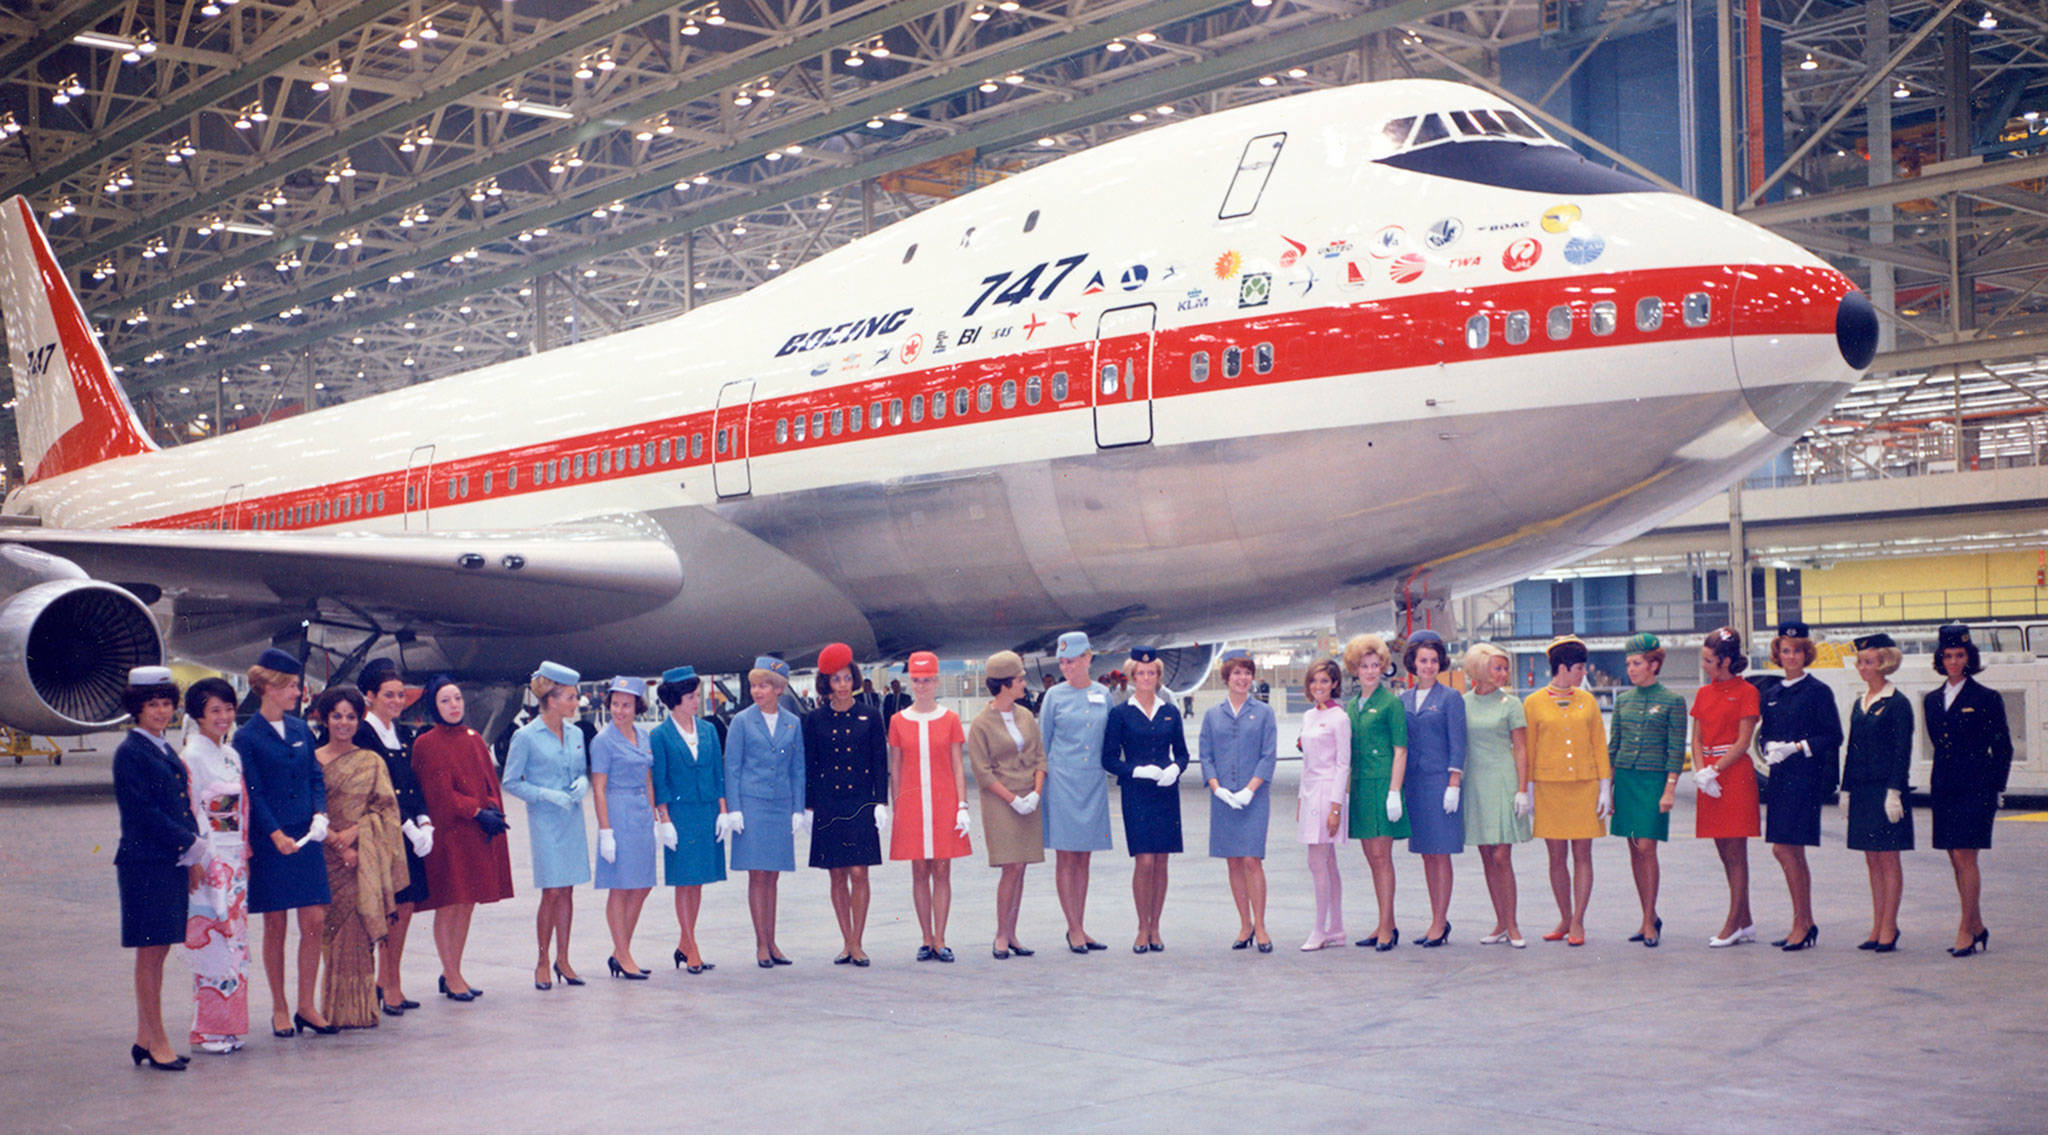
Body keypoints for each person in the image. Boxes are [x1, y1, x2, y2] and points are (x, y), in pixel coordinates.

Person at [235, 647, 334, 1037]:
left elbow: (314, 776)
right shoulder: (247, 737)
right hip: (271, 838)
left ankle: (306, 1004)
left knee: (314, 920)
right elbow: (253, 792)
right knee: (275, 925)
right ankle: (279, 1006)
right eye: (292, 686)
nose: (298, 692)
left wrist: (320, 813)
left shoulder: (300, 730)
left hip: (307, 835)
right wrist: (275, 834)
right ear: (271, 688)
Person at [116, 666, 202, 1070]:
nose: (162, 711)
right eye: (153, 704)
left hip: (167, 861)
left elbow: (179, 803)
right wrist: (188, 841)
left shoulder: (161, 747)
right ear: (137, 707)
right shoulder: (132, 752)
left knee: (159, 950)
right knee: (151, 954)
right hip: (145, 863)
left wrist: (190, 848)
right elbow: (143, 812)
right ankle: (158, 1042)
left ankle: (144, 1036)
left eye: (167, 704)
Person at [309, 685, 408, 1029]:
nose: (344, 723)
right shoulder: (313, 759)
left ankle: (360, 1009)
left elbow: (386, 810)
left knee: (357, 931)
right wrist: (337, 840)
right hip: (323, 859)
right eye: (337, 716)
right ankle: (332, 1009)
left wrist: (356, 834)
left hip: (360, 861)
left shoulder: (370, 761)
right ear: (324, 718)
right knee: (329, 931)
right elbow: (307, 808)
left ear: (359, 719)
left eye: (351, 717)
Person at [411, 675, 514, 1000]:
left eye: (457, 698)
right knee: (449, 903)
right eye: (445, 700)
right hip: (450, 834)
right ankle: (452, 973)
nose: (454, 705)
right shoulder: (426, 743)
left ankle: (452, 970)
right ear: (434, 705)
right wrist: (474, 810)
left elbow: (489, 782)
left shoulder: (474, 738)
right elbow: (438, 792)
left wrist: (494, 810)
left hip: (475, 834)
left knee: (467, 902)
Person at [1923, 623, 2014, 957]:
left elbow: (2002, 747)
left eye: (1959, 655)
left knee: (1966, 858)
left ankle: (1965, 929)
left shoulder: (1986, 698)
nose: (1953, 662)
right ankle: (1977, 926)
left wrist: (1996, 787)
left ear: (1969, 657)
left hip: (1975, 788)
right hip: (1945, 786)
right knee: (1954, 858)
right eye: (1947, 656)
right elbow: (1939, 744)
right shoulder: (1932, 700)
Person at [503, 661, 592, 989]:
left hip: (571, 818)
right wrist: (545, 795)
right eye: (570, 696)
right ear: (552, 700)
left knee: (567, 889)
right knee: (551, 891)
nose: (575, 702)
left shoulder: (577, 733)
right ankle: (542, 959)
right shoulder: (526, 736)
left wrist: (581, 784)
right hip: (545, 819)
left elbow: (580, 771)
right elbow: (511, 781)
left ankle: (564, 959)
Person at [1757, 621, 1843, 952]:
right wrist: (1768, 747)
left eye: (1796, 651)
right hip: (1780, 778)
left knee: (1787, 849)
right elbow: (1765, 733)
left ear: (1806, 654)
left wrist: (1798, 746)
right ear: (1778, 654)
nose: (1790, 656)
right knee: (1788, 850)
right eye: (1785, 650)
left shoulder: (1818, 691)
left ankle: (1802, 922)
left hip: (1805, 778)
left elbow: (1833, 735)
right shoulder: (1773, 694)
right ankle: (1803, 921)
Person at [352, 658, 432, 1015]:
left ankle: (391, 979)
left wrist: (425, 820)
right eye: (389, 695)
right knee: (387, 909)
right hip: (380, 833)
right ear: (369, 696)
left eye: (401, 695)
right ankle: (385, 983)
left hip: (407, 833)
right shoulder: (362, 733)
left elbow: (410, 784)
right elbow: (372, 789)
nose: (397, 701)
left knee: (406, 904)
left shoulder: (401, 733)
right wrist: (406, 825)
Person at [1522, 635, 1611, 947]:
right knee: (1556, 856)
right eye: (1578, 668)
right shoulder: (1532, 704)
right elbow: (1528, 750)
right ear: (1561, 667)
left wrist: (1604, 788)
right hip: (1549, 789)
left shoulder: (1588, 702)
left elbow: (1599, 745)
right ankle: (1564, 915)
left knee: (1583, 854)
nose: (1582, 673)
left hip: (1584, 787)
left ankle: (1578, 920)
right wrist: (1527, 790)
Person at [803, 644, 888, 966]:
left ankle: (858, 942)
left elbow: (880, 762)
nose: (842, 684)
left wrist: (881, 801)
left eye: (847, 678)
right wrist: (808, 806)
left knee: (859, 872)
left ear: (854, 680)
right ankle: (846, 941)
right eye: (836, 679)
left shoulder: (871, 715)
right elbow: (811, 765)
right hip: (828, 802)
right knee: (837, 873)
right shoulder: (814, 719)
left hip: (860, 800)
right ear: (827, 683)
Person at [1101, 646, 1188, 954]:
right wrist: (1136, 770)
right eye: (1141, 673)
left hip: (1165, 792)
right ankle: (1141, 926)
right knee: (1145, 860)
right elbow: (1109, 760)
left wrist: (1176, 768)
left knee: (1162, 861)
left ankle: (1156, 927)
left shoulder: (1170, 711)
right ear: (1132, 677)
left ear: (1158, 677)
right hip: (1137, 792)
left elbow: (1183, 753)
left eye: (1152, 673)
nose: (1147, 678)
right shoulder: (1120, 713)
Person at [722, 655, 807, 967]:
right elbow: (731, 767)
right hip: (752, 804)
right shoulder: (742, 722)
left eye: (764, 686)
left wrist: (798, 808)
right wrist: (735, 809)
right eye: (755, 686)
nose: (758, 691)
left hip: (780, 805)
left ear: (779, 689)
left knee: (773, 876)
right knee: (757, 875)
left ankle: (773, 942)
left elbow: (798, 769)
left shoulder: (792, 722)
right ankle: (761, 944)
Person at [180, 676, 249, 1054]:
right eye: (214, 711)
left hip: (234, 855)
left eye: (227, 709)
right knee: (212, 939)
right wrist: (205, 858)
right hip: (211, 859)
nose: (223, 717)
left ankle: (229, 1026)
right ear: (198, 716)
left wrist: (242, 853)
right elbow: (192, 811)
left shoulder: (230, 753)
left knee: (235, 943)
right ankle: (207, 1028)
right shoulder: (192, 756)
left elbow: (242, 810)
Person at [889, 650, 972, 961]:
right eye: (916, 680)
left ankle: (941, 938)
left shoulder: (949, 719)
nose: (921, 686)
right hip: (912, 804)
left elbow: (957, 765)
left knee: (942, 868)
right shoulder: (898, 721)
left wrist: (962, 805)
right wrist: (898, 807)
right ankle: (926, 938)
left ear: (936, 681)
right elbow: (895, 768)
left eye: (927, 680)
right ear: (910, 682)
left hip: (943, 800)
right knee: (919, 869)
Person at [1606, 633, 1686, 948]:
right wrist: (1607, 789)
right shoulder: (1623, 700)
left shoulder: (1672, 701)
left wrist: (1669, 790)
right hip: (1626, 780)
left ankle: (1650, 919)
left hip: (1653, 783)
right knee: (1633, 851)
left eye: (1636, 663)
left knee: (1647, 849)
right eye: (1628, 664)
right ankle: (1646, 916)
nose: (1631, 669)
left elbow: (1675, 751)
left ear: (1654, 664)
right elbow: (1615, 747)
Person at [968, 650, 1046, 959]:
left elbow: (1040, 756)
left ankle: (1013, 933)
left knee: (1022, 866)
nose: (1024, 684)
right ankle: (1000, 934)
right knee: (1011, 866)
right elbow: (982, 772)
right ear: (1004, 684)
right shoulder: (981, 724)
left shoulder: (1026, 715)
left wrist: (1036, 794)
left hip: (1029, 796)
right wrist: (1013, 799)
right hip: (1001, 801)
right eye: (1020, 679)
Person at [1039, 631, 1114, 953]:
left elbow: (1110, 738)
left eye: (1073, 661)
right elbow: (1043, 743)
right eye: (1063, 662)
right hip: (1063, 783)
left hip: (1093, 782)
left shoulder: (1103, 693)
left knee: (1084, 857)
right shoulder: (1054, 696)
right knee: (1066, 856)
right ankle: (1073, 928)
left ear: (1088, 659)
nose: (1067, 667)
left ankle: (1080, 925)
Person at [1199, 649, 1278, 952]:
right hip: (1223, 798)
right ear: (1226, 677)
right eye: (1237, 673)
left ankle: (1261, 925)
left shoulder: (1264, 713)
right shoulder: (1212, 715)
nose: (1243, 678)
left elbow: (1268, 755)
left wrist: (1250, 789)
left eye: (1247, 672)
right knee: (1233, 860)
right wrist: (1217, 788)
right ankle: (1244, 924)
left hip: (1253, 797)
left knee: (1251, 859)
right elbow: (1206, 756)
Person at [650, 666, 726, 973]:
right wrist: (664, 818)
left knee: (698, 883)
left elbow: (717, 772)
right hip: (680, 814)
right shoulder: (659, 735)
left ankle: (685, 944)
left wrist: (723, 810)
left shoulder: (708, 730)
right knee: (684, 881)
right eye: (691, 696)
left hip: (706, 810)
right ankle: (691, 947)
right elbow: (660, 779)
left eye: (697, 695)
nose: (697, 701)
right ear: (676, 700)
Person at [1692, 626, 1761, 947]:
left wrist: (1715, 769)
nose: (1705, 666)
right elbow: (1696, 737)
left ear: (1726, 661)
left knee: (1736, 853)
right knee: (1723, 851)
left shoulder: (1747, 692)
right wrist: (1701, 772)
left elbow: (1744, 741)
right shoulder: (1704, 693)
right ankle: (1745, 920)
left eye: (1709, 660)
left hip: (1733, 776)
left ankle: (1733, 924)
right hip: (1709, 777)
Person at [1460, 643, 1531, 949]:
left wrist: (1522, 789)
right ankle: (1500, 921)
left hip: (1503, 780)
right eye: (1497, 668)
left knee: (1502, 855)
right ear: (1479, 669)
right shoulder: (1462, 703)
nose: (1503, 674)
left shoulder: (1511, 703)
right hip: (1475, 781)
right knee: (1487, 855)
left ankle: (1513, 923)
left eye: (1505, 668)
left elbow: (1521, 748)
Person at [1844, 633, 1912, 952]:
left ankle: (1890, 925)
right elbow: (1852, 750)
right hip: (1862, 791)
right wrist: (1845, 790)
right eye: (1860, 662)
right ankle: (1877, 924)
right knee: (1872, 860)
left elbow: (1902, 751)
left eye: (1869, 662)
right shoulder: (1861, 702)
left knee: (1888, 858)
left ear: (1884, 663)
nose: (1863, 667)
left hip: (1886, 792)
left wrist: (1894, 791)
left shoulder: (1898, 703)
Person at [1399, 631, 1466, 948]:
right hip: (1415, 785)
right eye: (1423, 660)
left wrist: (1454, 783)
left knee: (1440, 854)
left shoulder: (1450, 698)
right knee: (1427, 854)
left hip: (1441, 783)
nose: (1428, 666)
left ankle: (1441, 921)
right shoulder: (1404, 699)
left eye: (1433, 660)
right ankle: (1435, 919)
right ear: (1413, 662)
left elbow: (1458, 742)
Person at [592, 676, 660, 979]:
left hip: (642, 814)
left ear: (637, 707)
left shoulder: (643, 737)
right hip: (617, 812)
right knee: (620, 887)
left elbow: (647, 778)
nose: (619, 710)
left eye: (626, 705)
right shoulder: (603, 741)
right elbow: (598, 788)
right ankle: (623, 954)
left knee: (642, 884)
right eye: (615, 704)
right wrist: (605, 831)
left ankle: (621, 951)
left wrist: (656, 816)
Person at [1343, 633, 1407, 951]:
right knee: (1371, 857)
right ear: (1355, 669)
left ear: (1383, 667)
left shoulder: (1390, 703)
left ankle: (1385, 927)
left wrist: (1394, 791)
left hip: (1382, 786)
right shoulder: (1353, 706)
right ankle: (1386, 922)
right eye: (1364, 665)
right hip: (1361, 788)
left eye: (1375, 665)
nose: (1370, 671)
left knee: (1382, 857)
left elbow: (1400, 750)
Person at [1293, 658, 1349, 951]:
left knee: (1316, 861)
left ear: (1335, 684)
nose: (1319, 687)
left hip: (1328, 792)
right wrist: (1301, 798)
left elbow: (1343, 764)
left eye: (1325, 681)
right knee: (1326, 862)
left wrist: (1336, 807)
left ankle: (1319, 929)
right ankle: (1336, 927)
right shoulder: (1308, 716)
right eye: (1314, 681)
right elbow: (1306, 763)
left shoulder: (1340, 718)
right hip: (1311, 790)